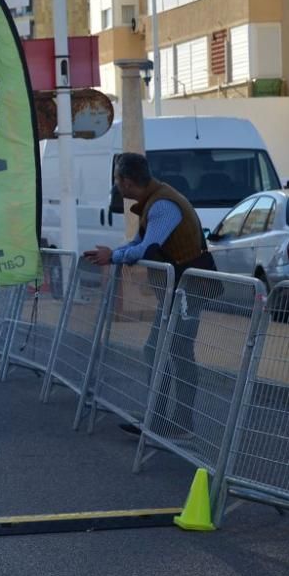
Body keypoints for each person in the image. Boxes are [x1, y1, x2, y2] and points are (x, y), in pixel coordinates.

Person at [83, 152, 213, 439]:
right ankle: (158, 418)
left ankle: (179, 424)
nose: (116, 186)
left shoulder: (163, 205)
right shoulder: (155, 202)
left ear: (127, 182)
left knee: (178, 353)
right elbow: (141, 242)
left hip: (188, 291)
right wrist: (115, 253)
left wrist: (114, 257)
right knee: (158, 350)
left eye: (117, 180)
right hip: (177, 291)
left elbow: (146, 250)